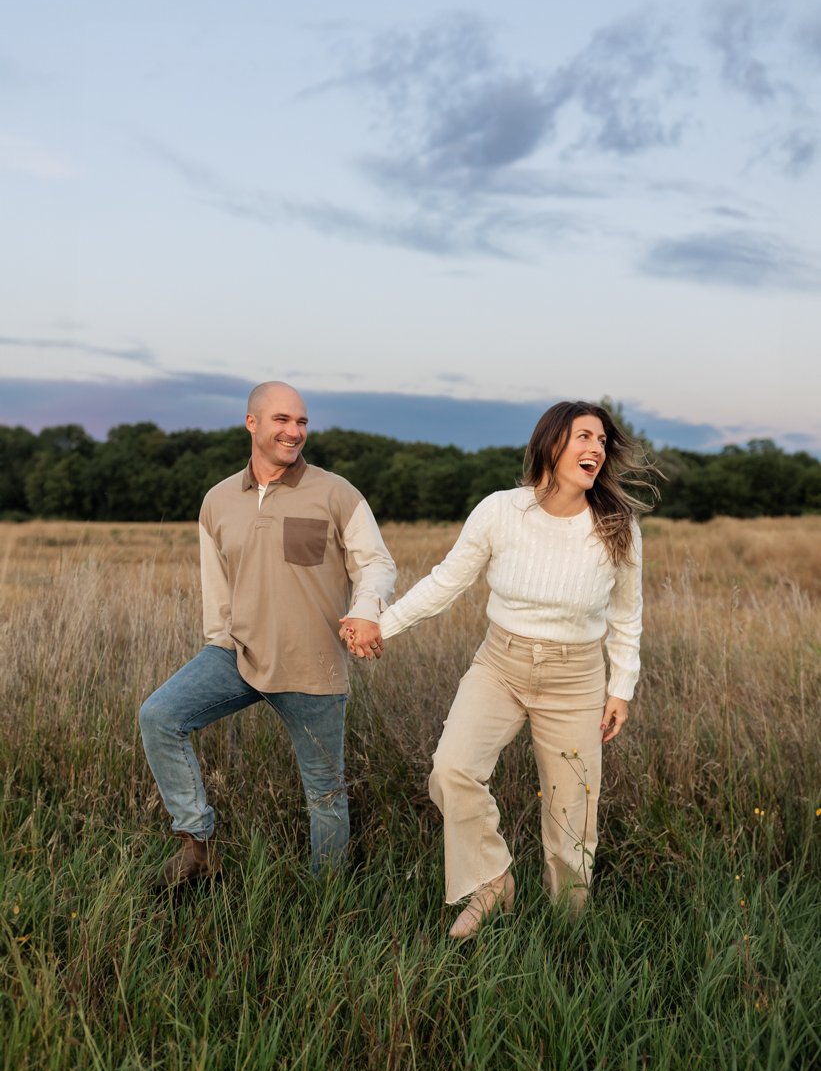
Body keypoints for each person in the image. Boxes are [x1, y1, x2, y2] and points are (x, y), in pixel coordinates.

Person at [343, 401, 658, 938]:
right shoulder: (499, 511)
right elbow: (446, 581)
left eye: (603, 441)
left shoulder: (616, 525)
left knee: (572, 814)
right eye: (584, 437)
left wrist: (620, 688)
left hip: (576, 677)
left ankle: (569, 932)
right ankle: (493, 884)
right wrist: (382, 624)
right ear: (552, 443)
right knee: (452, 769)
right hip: (500, 665)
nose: (597, 450)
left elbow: (627, 615)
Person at [139, 381, 395, 886]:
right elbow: (217, 586)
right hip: (235, 657)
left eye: (301, 422)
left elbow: (377, 565)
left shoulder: (336, 492)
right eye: (282, 420)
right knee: (159, 717)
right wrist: (219, 639)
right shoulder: (217, 501)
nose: (294, 431)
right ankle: (197, 849)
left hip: (311, 665)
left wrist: (367, 610)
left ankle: (328, 900)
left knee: (324, 792)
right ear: (252, 423)